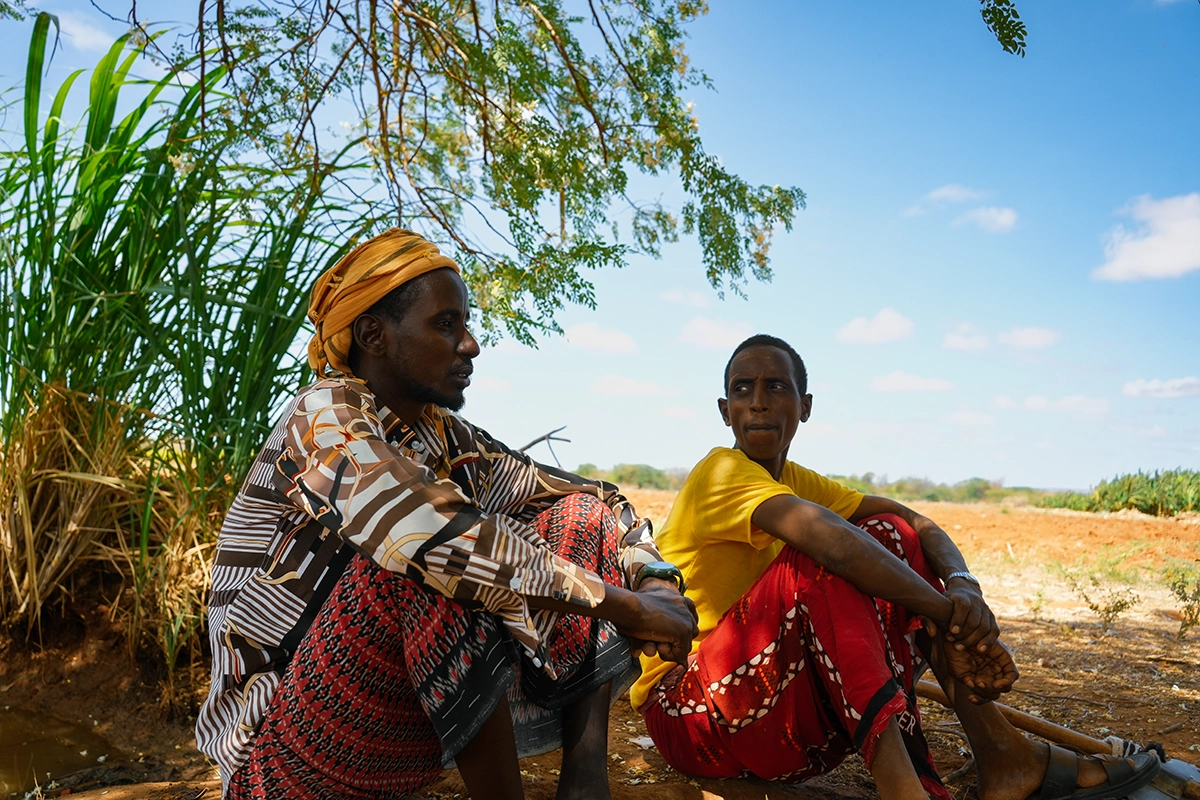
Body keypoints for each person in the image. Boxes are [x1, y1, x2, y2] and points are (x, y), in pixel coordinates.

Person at [195, 229, 698, 800]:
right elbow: (422, 533)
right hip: (281, 759)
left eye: (466, 323)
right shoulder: (322, 420)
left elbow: (598, 498)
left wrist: (657, 582)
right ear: (373, 335)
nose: (471, 345)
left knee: (576, 515)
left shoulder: (445, 438)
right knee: (436, 561)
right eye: (446, 325)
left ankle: (584, 784)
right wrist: (628, 607)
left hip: (389, 742)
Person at [632, 334, 1161, 800]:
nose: (759, 403)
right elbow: (833, 545)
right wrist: (949, 616)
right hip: (692, 717)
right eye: (743, 390)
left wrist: (963, 586)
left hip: (772, 716)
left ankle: (1003, 755)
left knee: (891, 535)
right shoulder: (719, 471)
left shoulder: (796, 480)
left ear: (805, 405)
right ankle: (906, 790)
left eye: (776, 387)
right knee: (823, 563)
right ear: (725, 411)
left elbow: (912, 521)